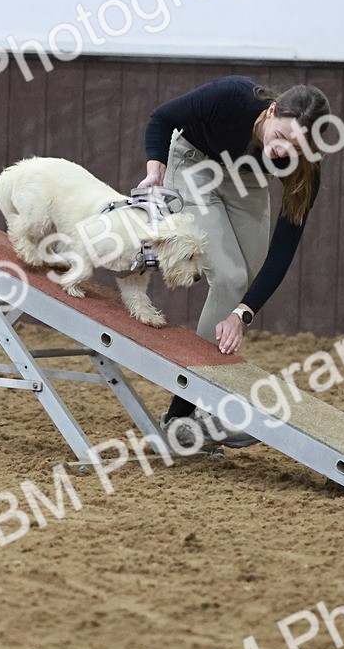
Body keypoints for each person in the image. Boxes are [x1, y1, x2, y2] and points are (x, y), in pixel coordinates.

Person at [139, 76, 330, 451]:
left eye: (296, 146)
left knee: (243, 285)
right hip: (194, 167)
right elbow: (161, 118)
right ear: (271, 111)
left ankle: (186, 415)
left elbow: (283, 249)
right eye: (282, 135)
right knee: (228, 277)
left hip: (247, 181)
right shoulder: (232, 97)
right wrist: (155, 168)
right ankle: (191, 412)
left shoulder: (303, 164)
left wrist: (244, 313)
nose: (283, 149)